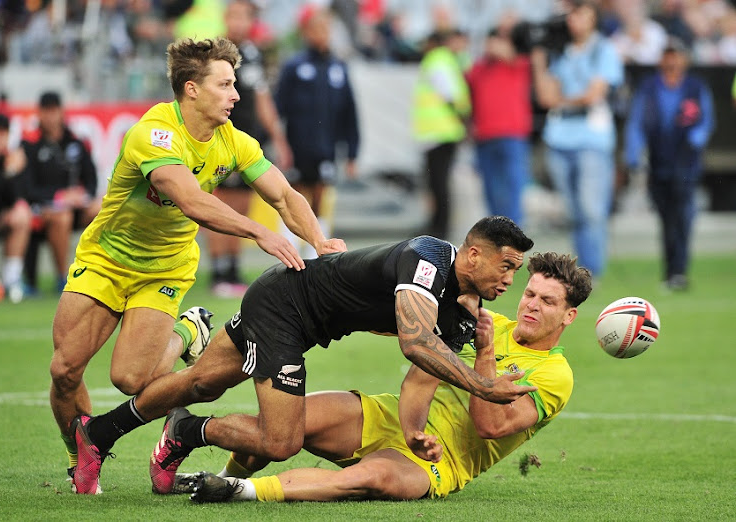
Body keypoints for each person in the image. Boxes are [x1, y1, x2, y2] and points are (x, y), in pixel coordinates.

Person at [51, 37, 347, 494]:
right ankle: (80, 457)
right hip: (106, 258)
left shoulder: (236, 142)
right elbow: (190, 201)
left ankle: (189, 331)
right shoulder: (153, 133)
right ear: (192, 88)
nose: (236, 94)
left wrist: (319, 241)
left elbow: (285, 196)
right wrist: (259, 232)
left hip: (165, 268)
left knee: (130, 379)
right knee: (64, 371)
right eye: (225, 84)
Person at [71, 216, 537, 496]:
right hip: (285, 305)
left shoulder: (459, 318)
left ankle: (100, 431)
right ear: (473, 255)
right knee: (281, 442)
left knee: (201, 382)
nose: (510, 280)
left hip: (305, 321)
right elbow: (414, 341)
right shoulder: (428, 256)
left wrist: (413, 432)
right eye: (507, 266)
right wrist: (484, 384)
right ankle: (186, 429)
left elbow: (420, 377)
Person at [176, 251, 592, 502]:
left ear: (569, 315)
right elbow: (415, 351)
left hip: (441, 459)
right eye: (530, 294)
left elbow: (490, 425)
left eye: (547, 301)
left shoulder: (556, 375)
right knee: (286, 423)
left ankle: (242, 493)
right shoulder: (486, 321)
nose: (531, 306)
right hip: (392, 416)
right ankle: (205, 454)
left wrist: (484, 354)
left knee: (371, 478)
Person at [206, 0, 293, 298]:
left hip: (248, 142)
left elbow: (262, 99)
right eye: (236, 17)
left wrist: (277, 137)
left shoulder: (252, 54)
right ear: (226, 18)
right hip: (221, 139)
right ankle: (218, 271)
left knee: (242, 207)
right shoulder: (215, 54)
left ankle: (233, 268)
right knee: (222, 206)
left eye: (245, 17)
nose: (240, 23)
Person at [531, 0, 624, 278]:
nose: (574, 21)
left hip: (591, 139)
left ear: (593, 18)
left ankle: (591, 269)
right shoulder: (561, 51)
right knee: (573, 212)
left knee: (592, 209)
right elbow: (545, 97)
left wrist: (562, 100)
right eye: (572, 15)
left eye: (580, 14)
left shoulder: (603, 49)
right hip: (560, 139)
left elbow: (593, 95)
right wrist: (538, 61)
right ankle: (583, 266)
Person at [624, 38, 715, 291]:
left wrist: (695, 141)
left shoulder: (695, 87)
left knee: (683, 216)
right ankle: (670, 270)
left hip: (685, 164)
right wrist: (634, 154)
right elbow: (637, 123)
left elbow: (705, 122)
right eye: (667, 55)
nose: (671, 61)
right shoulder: (650, 87)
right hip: (659, 162)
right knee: (666, 218)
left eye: (676, 55)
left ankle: (679, 270)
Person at [274, 5, 360, 258]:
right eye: (315, 29)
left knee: (320, 197)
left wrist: (352, 153)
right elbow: (277, 107)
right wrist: (277, 143)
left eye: (325, 29)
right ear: (306, 33)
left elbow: (350, 113)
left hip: (327, 147)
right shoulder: (294, 66)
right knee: (294, 195)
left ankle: (315, 253)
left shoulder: (338, 68)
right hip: (297, 146)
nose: (321, 34)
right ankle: (289, 248)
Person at [21, 91, 101, 293]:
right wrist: (59, 196)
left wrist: (84, 195)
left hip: (75, 206)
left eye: (54, 111)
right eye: (45, 112)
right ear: (39, 114)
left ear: (61, 112)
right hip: (43, 209)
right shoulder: (30, 144)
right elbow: (27, 189)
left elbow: (91, 179)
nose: (50, 116)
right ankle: (63, 278)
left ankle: (101, 273)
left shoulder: (75, 141)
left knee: (103, 207)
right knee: (62, 217)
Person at [466, 18, 533, 227]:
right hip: (485, 135)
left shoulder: (518, 62)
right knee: (491, 188)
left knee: (513, 185)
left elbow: (516, 56)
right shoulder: (479, 68)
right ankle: (496, 232)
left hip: (512, 134)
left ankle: (514, 231)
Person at [412, 29, 471, 240]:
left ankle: (439, 228)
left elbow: (449, 95)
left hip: (440, 132)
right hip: (442, 131)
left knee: (438, 184)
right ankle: (437, 226)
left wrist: (464, 121)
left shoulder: (437, 59)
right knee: (438, 183)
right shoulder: (448, 60)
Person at [0, 112, 31, 303]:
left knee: (22, 213)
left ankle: (12, 279)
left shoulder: (8, 159)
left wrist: (12, 172)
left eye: (3, 133)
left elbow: (17, 198)